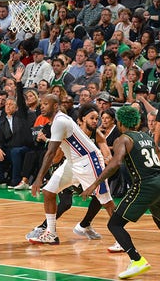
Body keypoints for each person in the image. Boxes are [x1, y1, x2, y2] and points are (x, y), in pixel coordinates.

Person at [80, 106, 160, 279]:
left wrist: (94, 184)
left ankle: (137, 260)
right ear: (137, 121)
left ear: (120, 122)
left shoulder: (123, 139)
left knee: (114, 224)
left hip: (145, 185)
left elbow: (115, 163)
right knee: (158, 218)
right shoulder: (146, 136)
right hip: (159, 181)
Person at [28, 94, 116, 245]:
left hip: (89, 160)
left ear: (55, 106)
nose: (42, 106)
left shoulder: (60, 121)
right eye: (41, 103)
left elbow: (50, 153)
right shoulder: (57, 121)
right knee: (49, 191)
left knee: (106, 201)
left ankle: (121, 239)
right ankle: (51, 233)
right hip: (73, 162)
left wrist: (39, 178)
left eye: (46, 104)